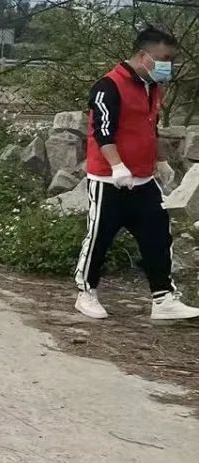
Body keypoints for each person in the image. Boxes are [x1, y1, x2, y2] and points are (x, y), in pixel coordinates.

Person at [74, 27, 199, 321]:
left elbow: (149, 129)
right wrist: (117, 166)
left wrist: (160, 162)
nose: (169, 64)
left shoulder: (152, 87)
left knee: (158, 236)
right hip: (109, 180)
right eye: (164, 58)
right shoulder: (108, 86)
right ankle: (86, 291)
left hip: (144, 180)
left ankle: (163, 297)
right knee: (99, 237)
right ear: (145, 56)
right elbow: (103, 132)